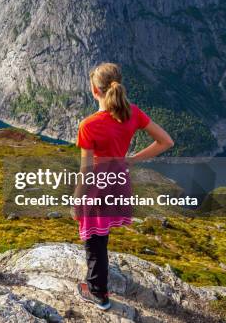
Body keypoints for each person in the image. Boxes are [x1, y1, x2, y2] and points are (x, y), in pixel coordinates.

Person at [74, 62, 174, 310]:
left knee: (94, 241)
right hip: (118, 180)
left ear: (95, 91)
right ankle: (97, 282)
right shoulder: (132, 113)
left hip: (98, 185)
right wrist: (130, 160)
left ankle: (98, 293)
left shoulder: (89, 125)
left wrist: (76, 201)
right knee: (101, 236)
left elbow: (86, 171)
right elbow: (166, 142)